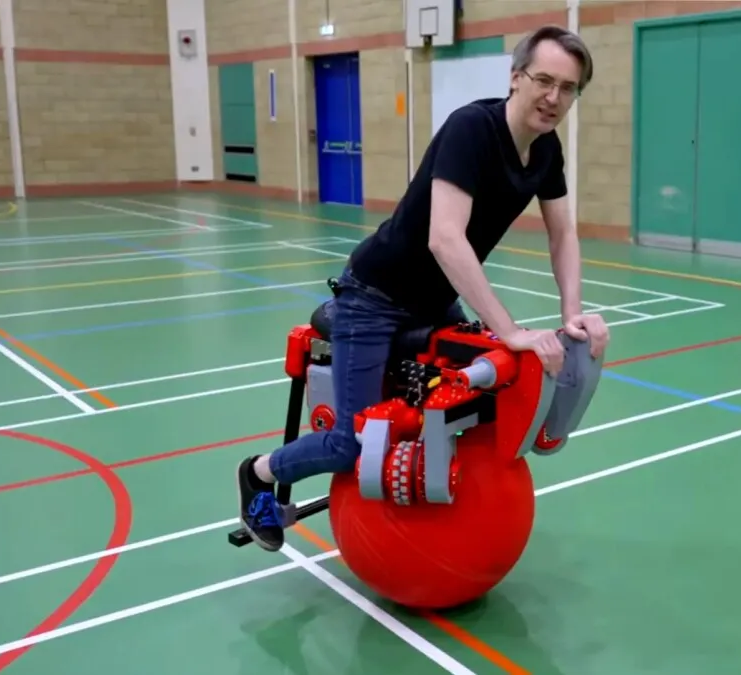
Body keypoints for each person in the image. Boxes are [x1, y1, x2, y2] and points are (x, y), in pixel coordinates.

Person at [235, 24, 610, 552]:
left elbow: (562, 234)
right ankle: (258, 473)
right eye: (544, 80)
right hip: (375, 296)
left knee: (467, 395)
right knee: (349, 443)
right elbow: (445, 239)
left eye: (568, 88)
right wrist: (510, 330)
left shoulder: (546, 149)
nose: (553, 97)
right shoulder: (471, 129)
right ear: (515, 77)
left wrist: (572, 315)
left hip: (434, 302)